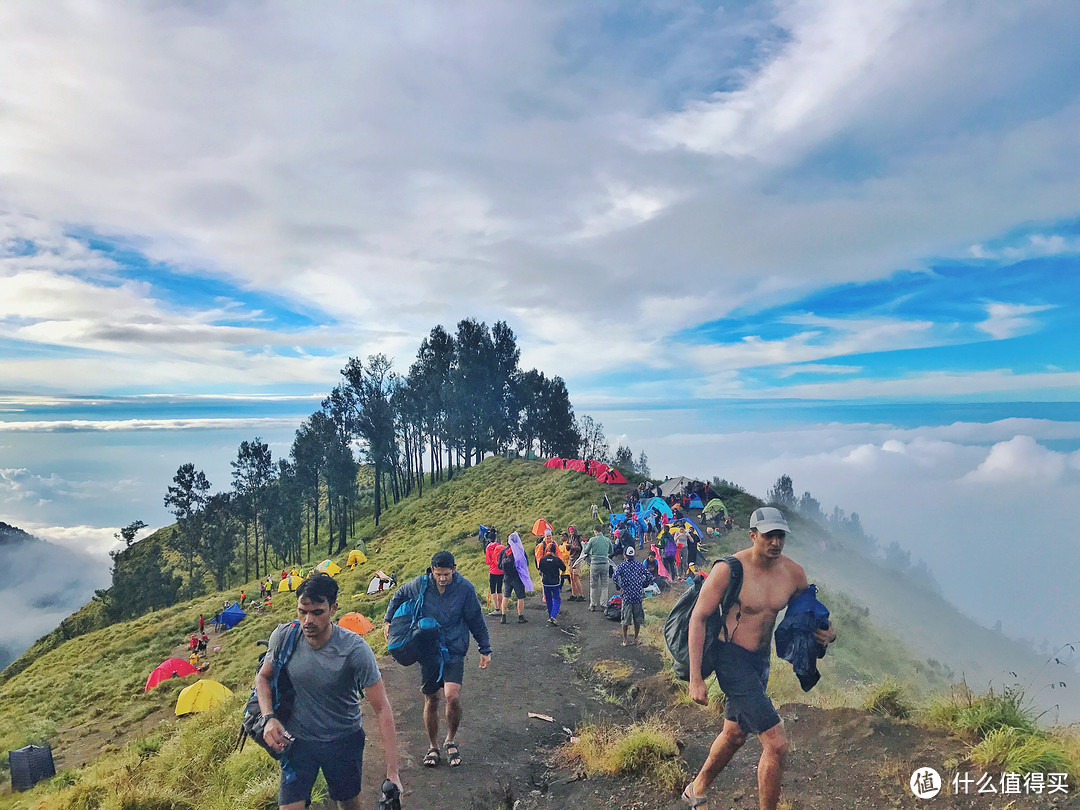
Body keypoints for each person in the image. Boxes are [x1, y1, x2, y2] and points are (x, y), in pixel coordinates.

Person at [682, 507, 836, 810]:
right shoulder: (729, 570)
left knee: (735, 733)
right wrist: (695, 677)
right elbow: (698, 618)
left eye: (780, 536)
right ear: (753, 535)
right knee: (776, 744)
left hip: (760, 661)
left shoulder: (793, 573)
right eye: (768, 535)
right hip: (731, 656)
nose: (775, 542)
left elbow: (810, 613)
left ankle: (695, 790)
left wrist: (829, 631)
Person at [258, 572, 401, 810]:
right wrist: (268, 718)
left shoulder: (354, 650)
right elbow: (263, 677)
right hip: (298, 741)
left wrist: (393, 773)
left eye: (317, 612)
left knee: (348, 804)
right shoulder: (284, 637)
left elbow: (382, 708)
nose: (307, 621)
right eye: (302, 612)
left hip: (343, 740)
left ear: (333, 608)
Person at [383, 551, 491, 769]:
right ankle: (433, 746)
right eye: (438, 574)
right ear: (432, 570)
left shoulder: (465, 589)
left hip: (454, 648)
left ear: (454, 569)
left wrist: (484, 648)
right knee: (431, 698)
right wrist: (388, 620)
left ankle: (450, 739)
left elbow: (475, 619)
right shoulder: (421, 584)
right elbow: (400, 594)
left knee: (452, 695)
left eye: (446, 574)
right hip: (429, 649)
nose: (442, 578)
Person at [613, 546, 648, 646]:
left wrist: (619, 588)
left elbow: (614, 576)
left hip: (627, 596)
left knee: (625, 619)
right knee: (637, 619)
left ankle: (625, 640)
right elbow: (649, 576)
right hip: (637, 595)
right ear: (634, 555)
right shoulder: (639, 565)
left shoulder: (622, 566)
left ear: (625, 555)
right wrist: (643, 585)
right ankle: (635, 639)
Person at [498, 531, 533, 624]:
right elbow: (526, 564)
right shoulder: (520, 551)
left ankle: (503, 616)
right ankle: (520, 616)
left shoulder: (504, 552)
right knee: (520, 597)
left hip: (507, 578)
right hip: (517, 577)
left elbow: (499, 565)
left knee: (506, 596)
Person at [578, 525, 614, 612]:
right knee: (605, 584)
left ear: (595, 531)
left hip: (595, 564)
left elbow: (586, 551)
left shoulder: (592, 540)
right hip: (605, 563)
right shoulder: (607, 540)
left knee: (593, 585)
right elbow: (611, 551)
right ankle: (603, 604)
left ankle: (593, 604)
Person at [537, 543, 567, 625]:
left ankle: (550, 615)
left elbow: (540, 569)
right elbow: (564, 568)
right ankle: (553, 615)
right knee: (557, 599)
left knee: (548, 599)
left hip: (546, 582)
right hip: (555, 582)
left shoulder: (542, 559)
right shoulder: (556, 560)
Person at [484, 530, 506, 614]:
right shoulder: (500, 546)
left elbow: (488, 561)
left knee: (493, 589)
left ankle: (496, 609)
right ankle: (501, 607)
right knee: (499, 589)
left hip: (493, 570)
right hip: (501, 570)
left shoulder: (488, 548)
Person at [566, 529, 585, 602]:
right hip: (571, 558)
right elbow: (568, 549)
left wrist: (574, 547)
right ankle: (573, 594)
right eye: (570, 532)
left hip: (577, 559)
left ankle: (581, 595)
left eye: (572, 531)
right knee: (571, 577)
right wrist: (568, 546)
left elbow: (582, 548)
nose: (571, 533)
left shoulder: (579, 538)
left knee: (575, 576)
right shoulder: (570, 538)